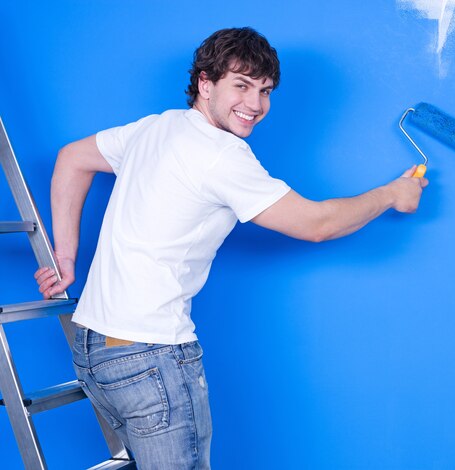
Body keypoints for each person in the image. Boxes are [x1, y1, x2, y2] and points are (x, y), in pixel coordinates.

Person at [34, 27, 428, 470]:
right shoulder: (221, 155)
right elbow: (318, 224)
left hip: (92, 347)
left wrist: (65, 258)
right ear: (206, 84)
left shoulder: (156, 127)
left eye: (265, 91)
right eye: (241, 85)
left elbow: (71, 157)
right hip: (151, 356)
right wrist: (392, 194)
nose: (256, 105)